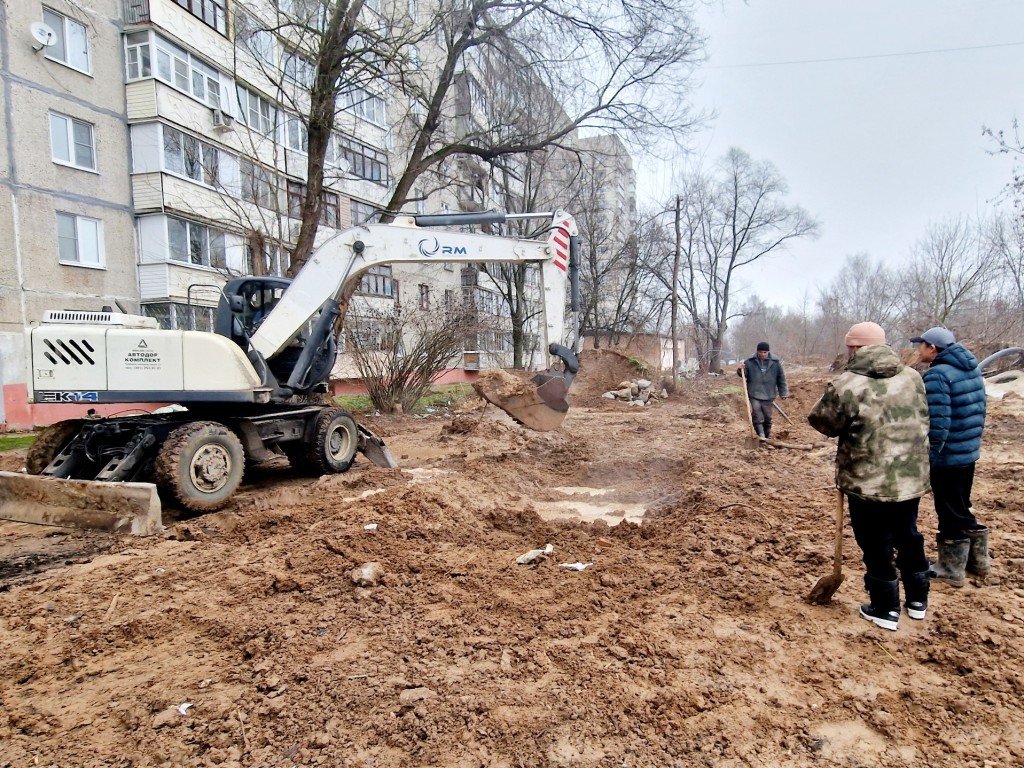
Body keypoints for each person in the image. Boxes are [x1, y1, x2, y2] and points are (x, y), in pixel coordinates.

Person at [808, 322, 931, 631]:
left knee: (875, 540)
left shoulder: (848, 384)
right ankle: (917, 601)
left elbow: (823, 423)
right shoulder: (913, 377)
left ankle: (885, 608)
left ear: (855, 348)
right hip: (909, 476)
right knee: (908, 534)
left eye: (849, 347)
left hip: (868, 480)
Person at [910, 326, 989, 587]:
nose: (917, 350)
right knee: (961, 505)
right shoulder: (972, 369)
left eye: (920, 345)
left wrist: (930, 457)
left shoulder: (937, 376)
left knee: (949, 510)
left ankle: (951, 569)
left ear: (932, 348)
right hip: (968, 453)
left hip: (948, 457)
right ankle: (977, 562)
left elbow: (938, 424)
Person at [737, 342, 789, 439]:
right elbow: (744, 374)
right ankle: (761, 434)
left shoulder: (776, 363)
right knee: (757, 413)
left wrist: (783, 392)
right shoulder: (749, 362)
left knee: (767, 416)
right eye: (761, 352)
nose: (763, 354)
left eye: (765, 352)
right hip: (754, 392)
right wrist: (740, 370)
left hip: (769, 393)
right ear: (757, 352)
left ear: (768, 352)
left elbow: (781, 378)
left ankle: (766, 435)